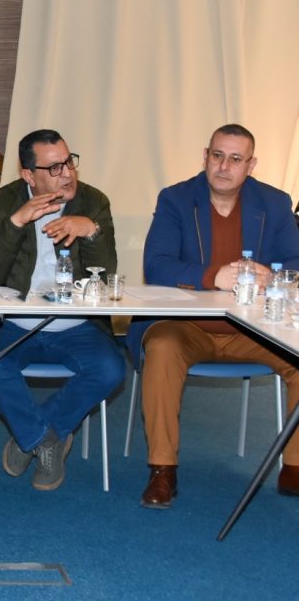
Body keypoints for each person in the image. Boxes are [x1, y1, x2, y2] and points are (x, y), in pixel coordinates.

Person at [134, 123, 299, 508]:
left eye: (235, 159)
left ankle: (294, 465)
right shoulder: (176, 199)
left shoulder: (274, 203)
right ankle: (162, 470)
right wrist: (213, 276)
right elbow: (157, 265)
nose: (224, 167)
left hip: (255, 330)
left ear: (250, 165)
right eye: (217, 156)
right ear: (205, 157)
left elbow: (296, 261)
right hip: (187, 328)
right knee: (161, 346)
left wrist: (271, 275)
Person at [0, 129, 124, 491]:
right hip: (13, 321)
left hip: (75, 323)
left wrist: (91, 230)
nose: (67, 173)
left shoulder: (93, 201)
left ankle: (36, 435)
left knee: (111, 369)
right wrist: (17, 222)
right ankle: (46, 440)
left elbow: (107, 273)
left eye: (69, 162)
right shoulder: (3, 202)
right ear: (28, 175)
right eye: (54, 168)